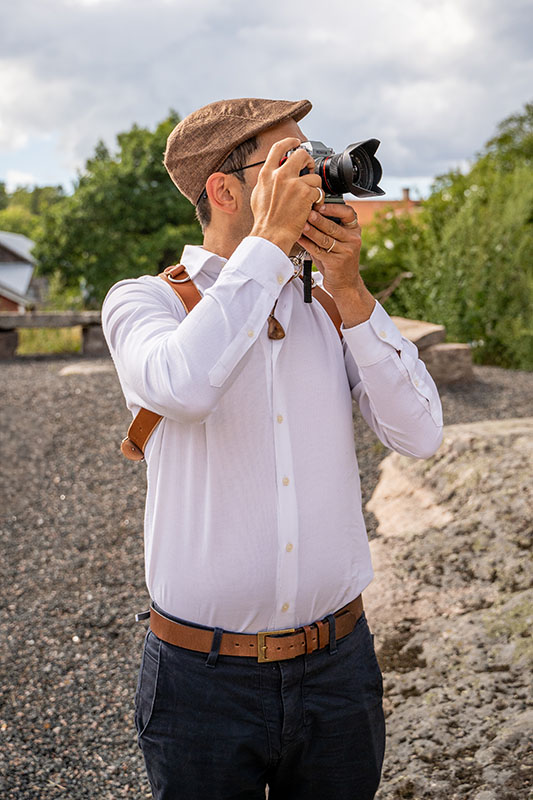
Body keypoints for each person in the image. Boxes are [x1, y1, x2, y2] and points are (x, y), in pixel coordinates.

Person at [102, 97, 443, 800]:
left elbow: (419, 433)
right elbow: (185, 385)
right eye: (288, 161)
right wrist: (266, 244)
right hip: (200, 679)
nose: (312, 175)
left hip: (338, 669)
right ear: (224, 190)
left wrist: (350, 291)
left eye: (310, 155)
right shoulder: (144, 303)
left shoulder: (325, 304)